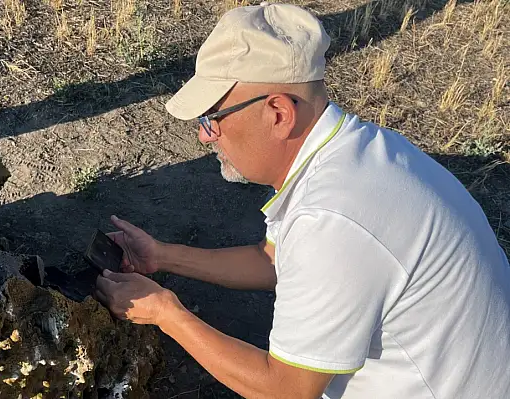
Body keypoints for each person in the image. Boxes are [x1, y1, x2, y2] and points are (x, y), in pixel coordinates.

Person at [93, 3, 510, 398]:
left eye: (212, 119)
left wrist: (168, 314)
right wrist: (162, 257)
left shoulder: (331, 219)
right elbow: (273, 259)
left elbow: (285, 390)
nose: (204, 136)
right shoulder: (356, 152)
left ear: (278, 113)